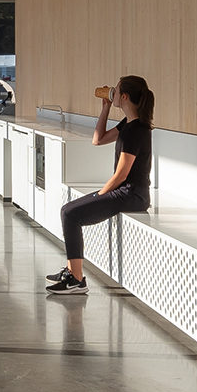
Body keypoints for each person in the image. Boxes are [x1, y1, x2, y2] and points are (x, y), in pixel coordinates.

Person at [49, 75, 152, 294]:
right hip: (125, 191)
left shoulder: (136, 130)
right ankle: (72, 271)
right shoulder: (128, 124)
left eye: (115, 91)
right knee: (67, 210)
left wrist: (99, 196)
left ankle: (77, 279)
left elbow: (122, 174)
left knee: (71, 215)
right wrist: (105, 108)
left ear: (123, 97)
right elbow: (98, 139)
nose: (111, 92)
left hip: (132, 194)